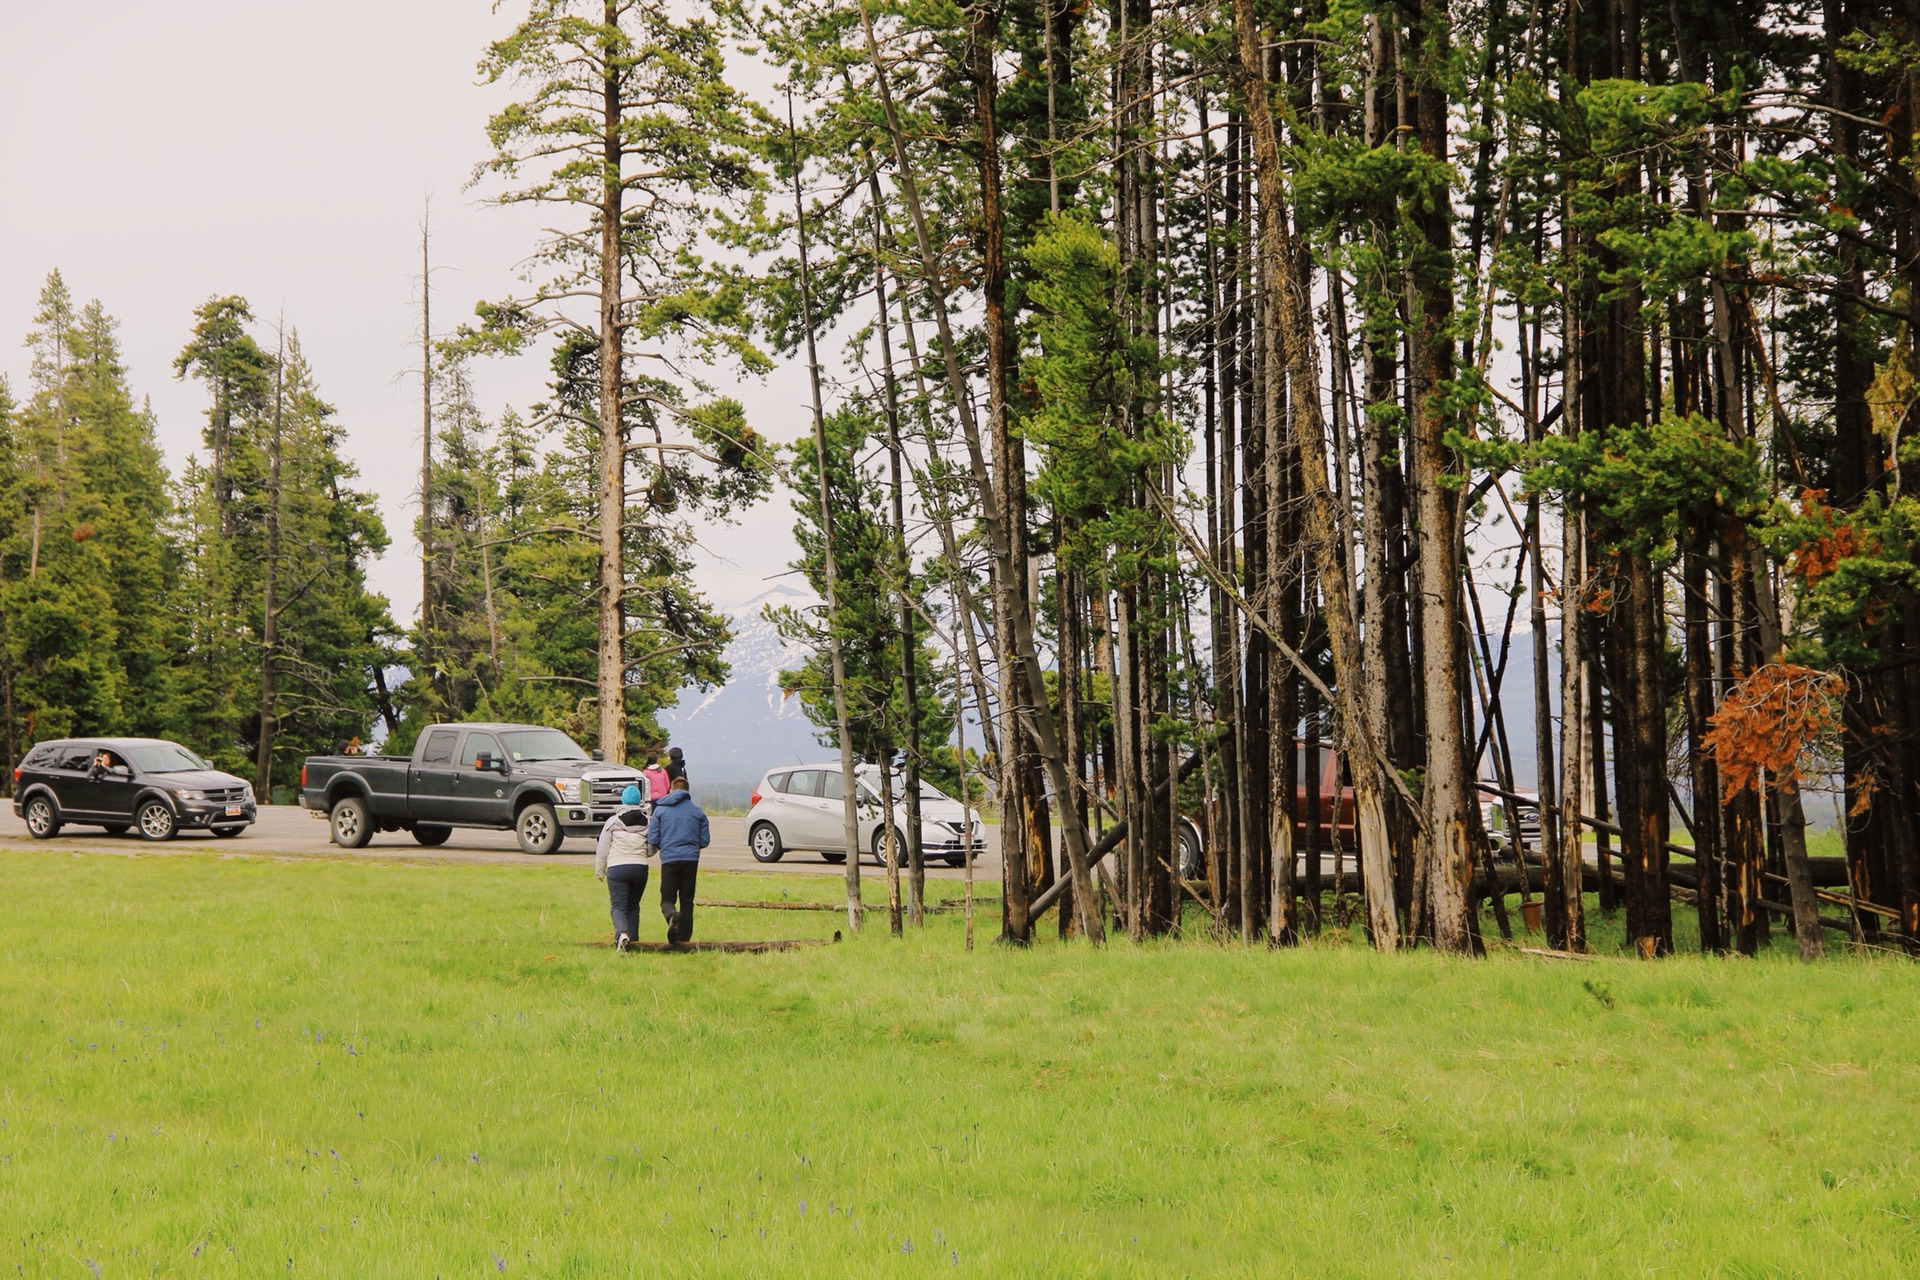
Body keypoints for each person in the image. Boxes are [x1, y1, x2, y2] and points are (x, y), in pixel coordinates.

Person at [648, 777, 710, 945]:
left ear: (671, 789)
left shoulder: (660, 811)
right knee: (687, 900)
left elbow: (652, 837)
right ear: (687, 791)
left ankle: (671, 916)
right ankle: (684, 939)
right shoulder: (697, 811)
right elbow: (704, 841)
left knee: (667, 899)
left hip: (669, 859)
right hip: (691, 860)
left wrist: (666, 846)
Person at [594, 784, 653, 952]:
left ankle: (621, 934)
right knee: (633, 905)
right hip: (640, 867)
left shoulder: (613, 822)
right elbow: (652, 846)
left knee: (618, 906)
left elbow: (603, 849)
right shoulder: (648, 822)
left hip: (617, 868)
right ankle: (633, 941)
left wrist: (599, 871)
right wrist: (643, 853)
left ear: (622, 800)